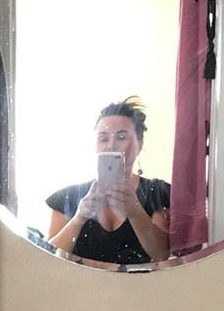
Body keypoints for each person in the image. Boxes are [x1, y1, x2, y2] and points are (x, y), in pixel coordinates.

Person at [46, 98, 170, 265]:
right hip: (77, 282)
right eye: (103, 139)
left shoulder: (156, 192)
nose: (111, 145)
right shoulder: (67, 197)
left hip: (140, 283)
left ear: (139, 145)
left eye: (121, 137)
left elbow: (162, 254)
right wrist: (79, 217)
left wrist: (135, 212)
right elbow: (47, 259)